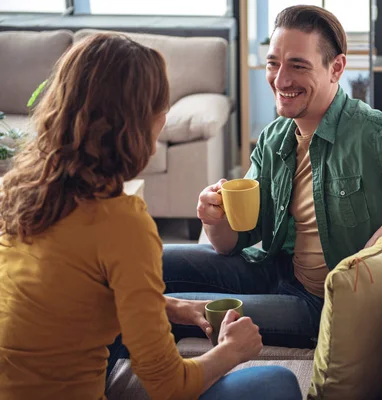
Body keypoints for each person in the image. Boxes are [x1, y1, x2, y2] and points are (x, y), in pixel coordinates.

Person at [162, 5, 382, 348]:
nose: (280, 79)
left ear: (336, 68)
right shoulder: (275, 137)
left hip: (320, 305)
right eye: (273, 63)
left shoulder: (378, 136)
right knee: (150, 262)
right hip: (273, 270)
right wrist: (212, 218)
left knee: (157, 310)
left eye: (298, 66)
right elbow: (229, 244)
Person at [0, 33, 302, 400]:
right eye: (163, 108)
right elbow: (169, 386)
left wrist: (173, 307)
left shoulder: (18, 189)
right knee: (278, 384)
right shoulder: (122, 224)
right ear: (136, 124)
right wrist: (231, 352)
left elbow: (74, 294)